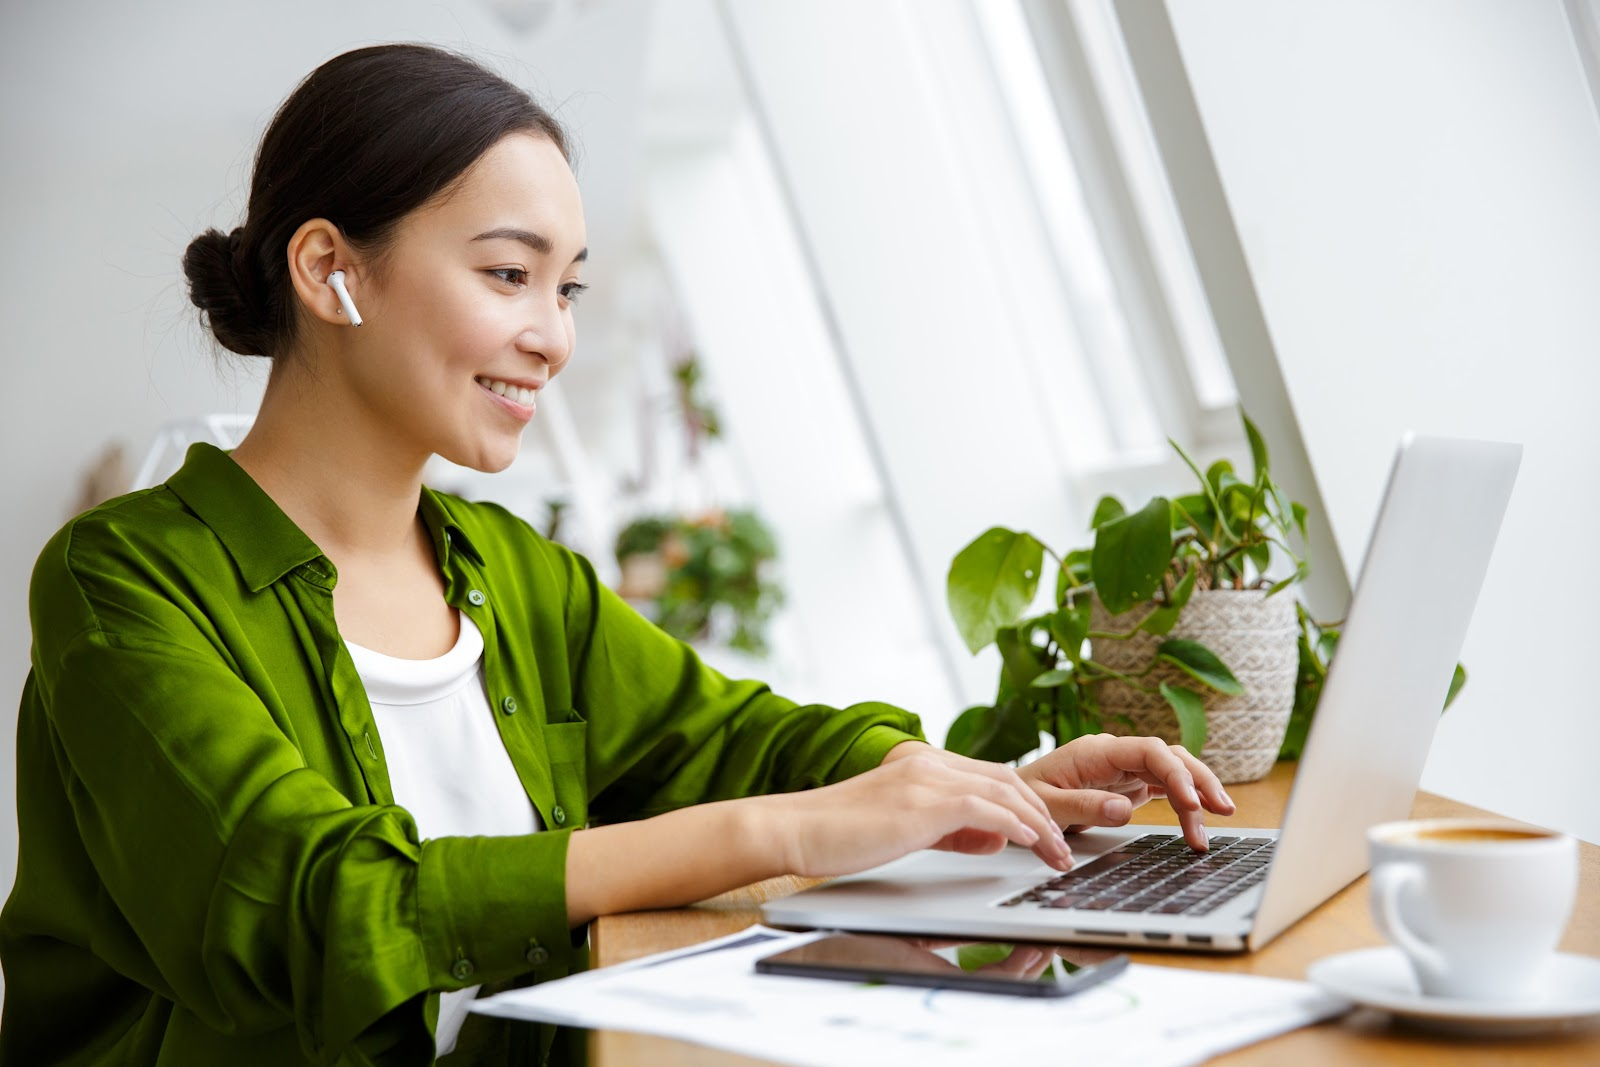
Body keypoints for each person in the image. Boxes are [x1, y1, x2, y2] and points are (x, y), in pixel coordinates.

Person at [0, 43, 1234, 1066]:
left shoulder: (505, 566)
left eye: (570, 291)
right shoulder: (122, 583)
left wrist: (970, 783)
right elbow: (317, 909)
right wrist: (793, 831)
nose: (550, 338)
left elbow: (736, 735)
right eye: (507, 275)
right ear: (331, 270)